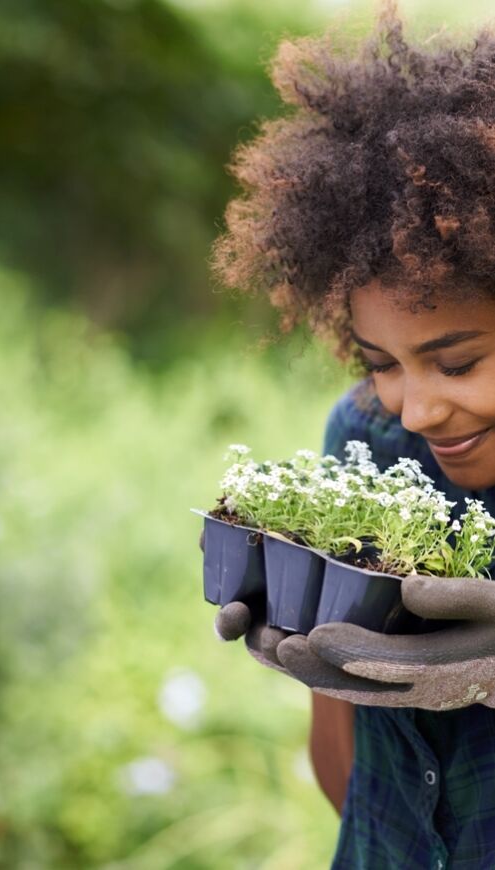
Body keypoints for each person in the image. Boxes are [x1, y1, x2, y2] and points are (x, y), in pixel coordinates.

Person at [211, 2, 495, 867]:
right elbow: (338, 759)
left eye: (456, 362)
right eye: (381, 361)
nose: (414, 409)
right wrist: (312, 648)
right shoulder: (367, 438)